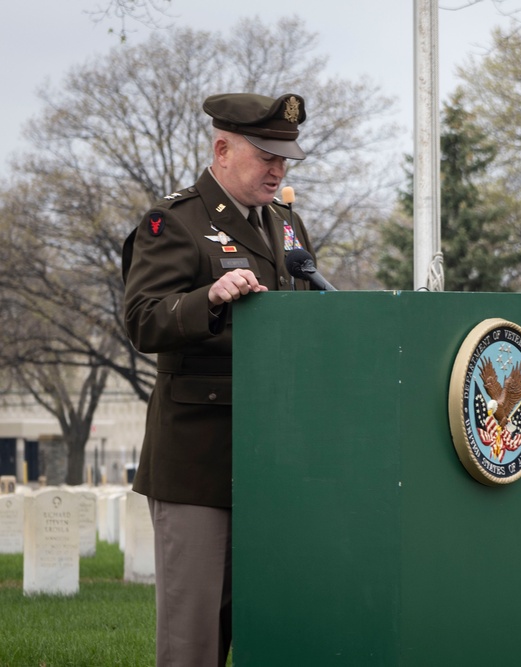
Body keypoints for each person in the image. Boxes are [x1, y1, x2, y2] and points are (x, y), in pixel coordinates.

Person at [121, 92, 318, 667]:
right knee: (193, 640)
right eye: (266, 156)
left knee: (268, 627)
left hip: (275, 463)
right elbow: (142, 319)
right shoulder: (174, 222)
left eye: (285, 158)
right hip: (199, 463)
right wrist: (205, 298)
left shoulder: (286, 223)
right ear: (223, 149)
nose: (278, 168)